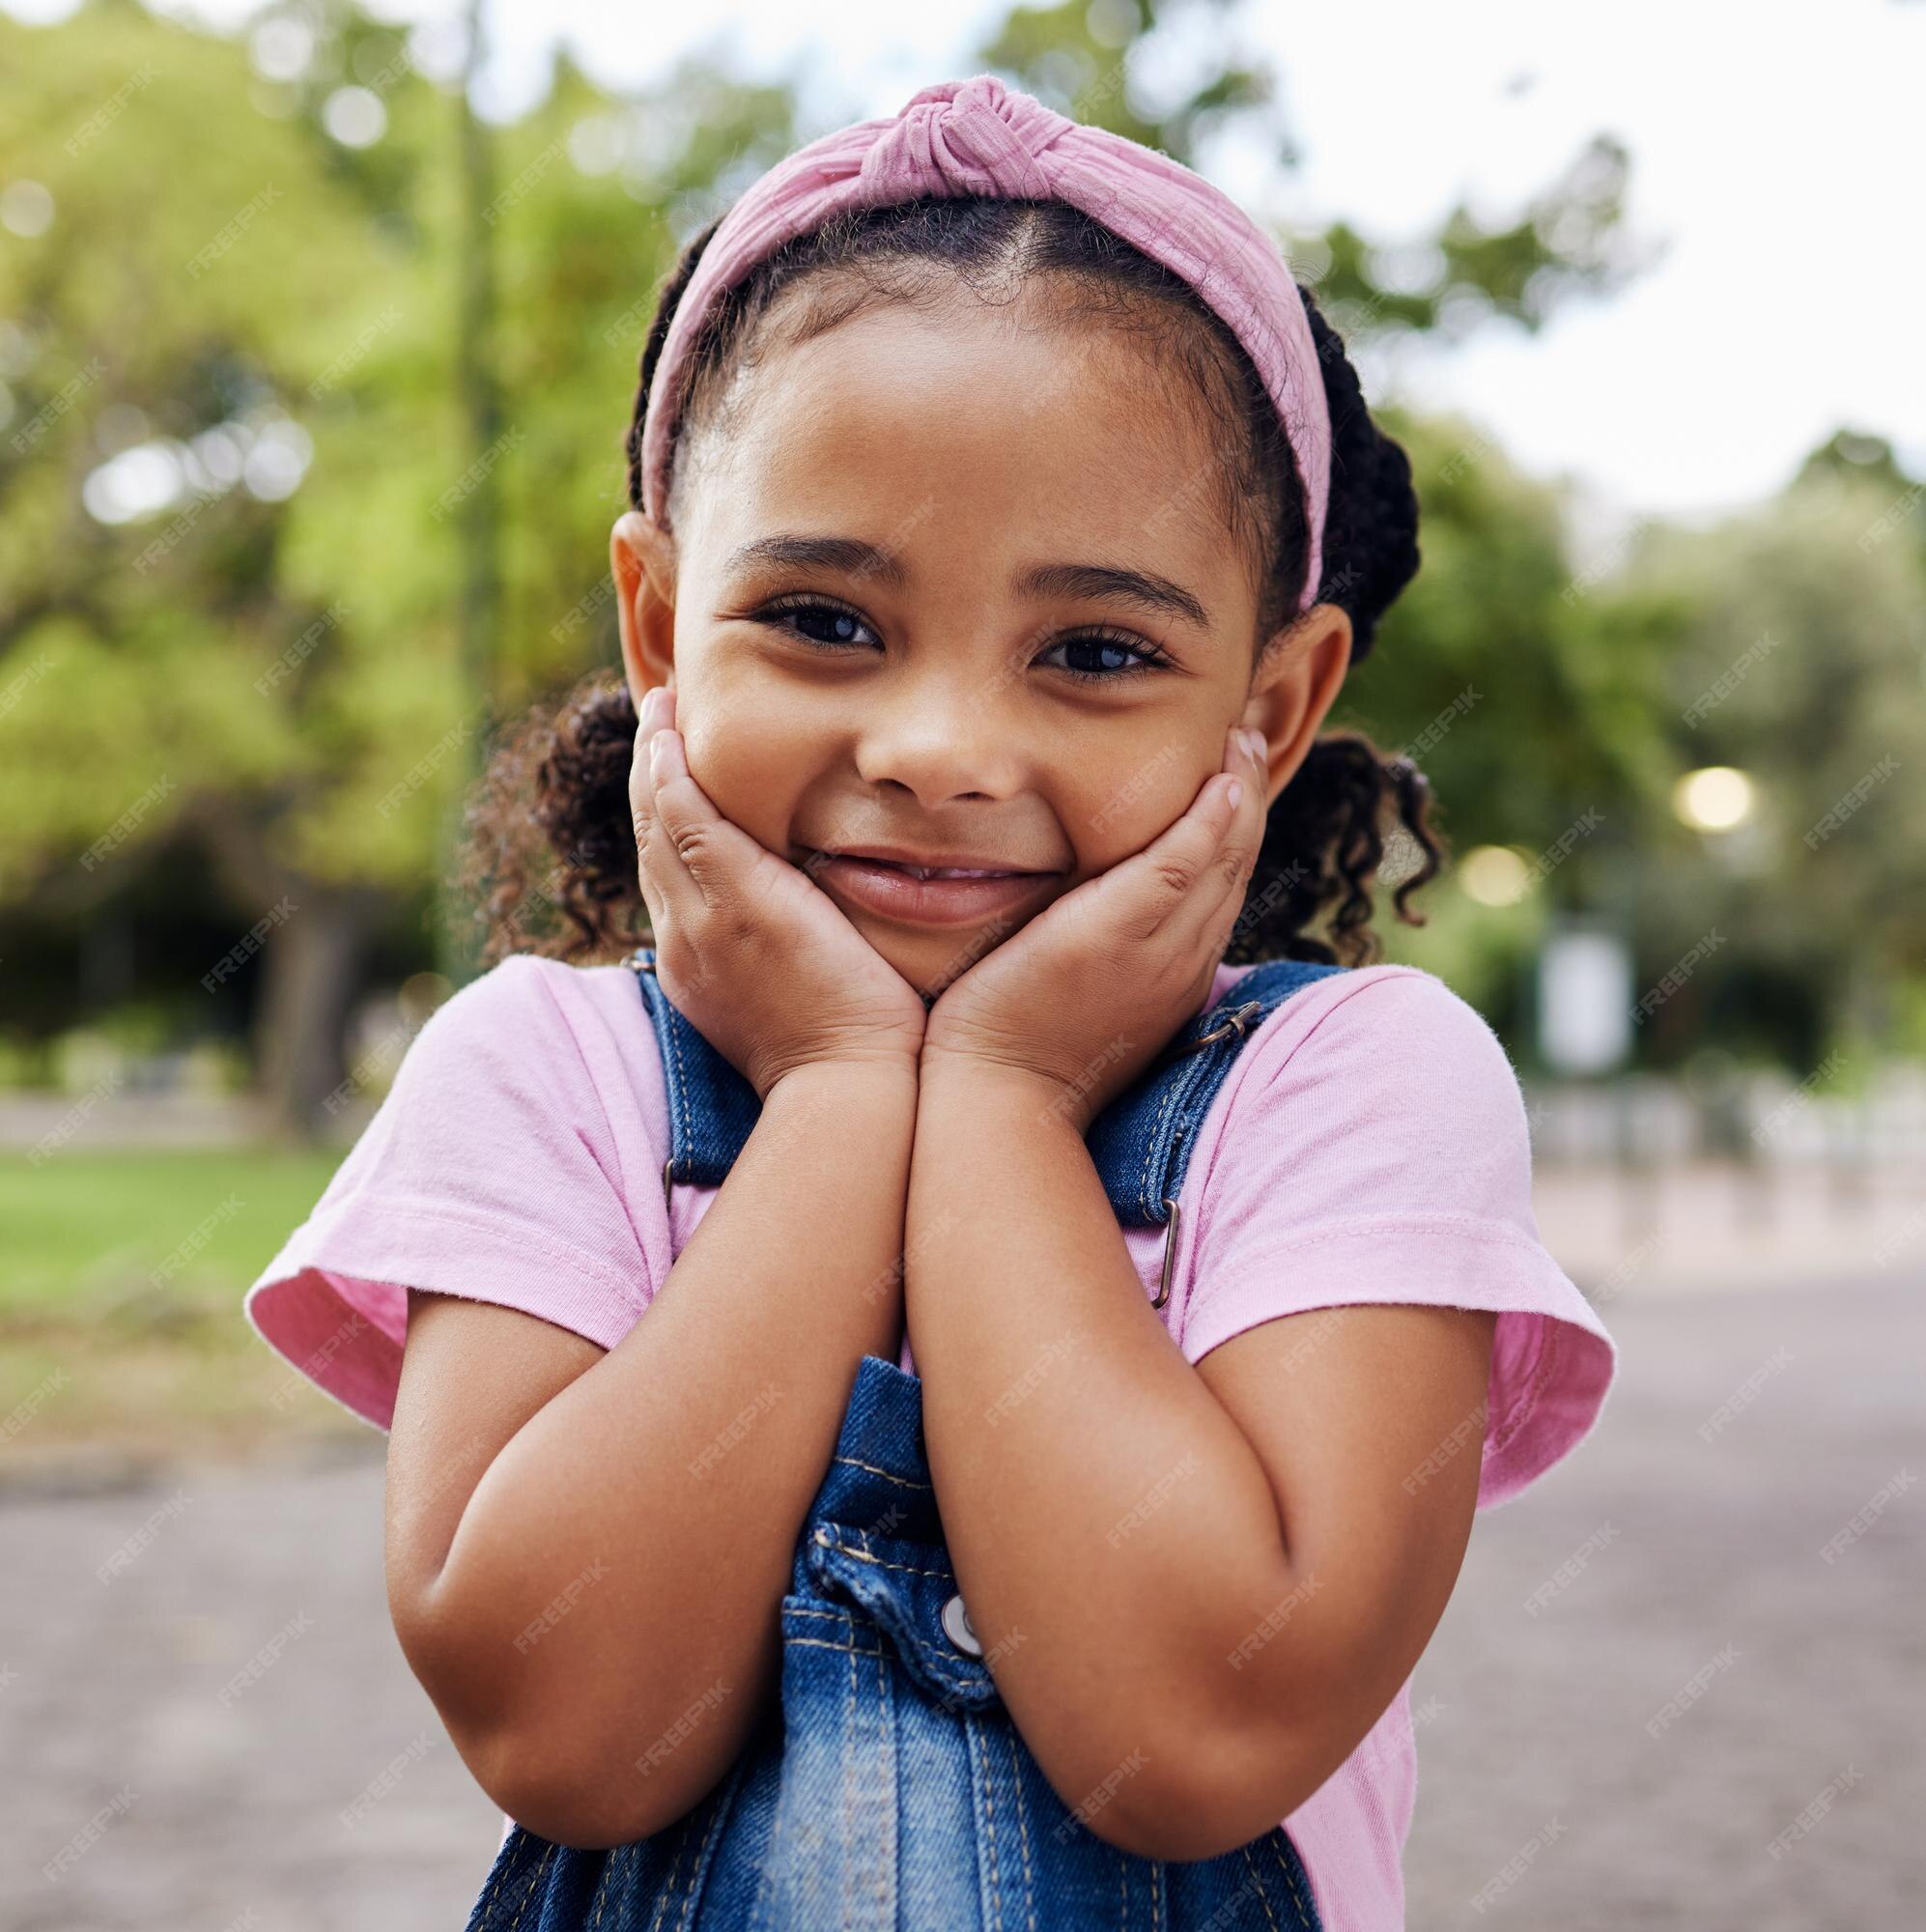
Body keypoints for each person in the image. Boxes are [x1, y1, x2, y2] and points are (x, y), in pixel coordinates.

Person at [243, 74, 1618, 1931]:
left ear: (1272, 708)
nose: (943, 750)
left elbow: (1191, 1735)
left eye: (1097, 652)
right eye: (822, 619)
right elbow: (568, 1725)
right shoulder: (542, 1075)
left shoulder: (1351, 1090)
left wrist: (995, 1096)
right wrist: (825, 1099)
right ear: (657, 624)